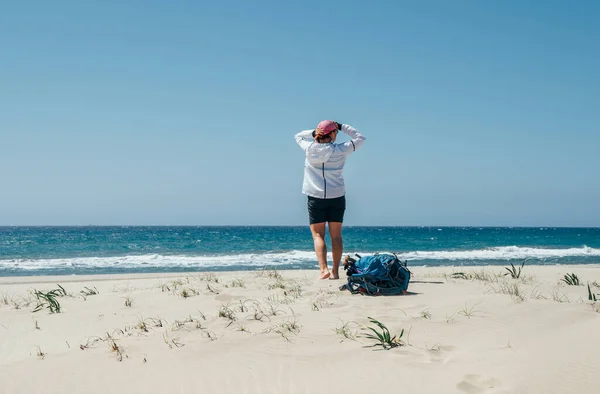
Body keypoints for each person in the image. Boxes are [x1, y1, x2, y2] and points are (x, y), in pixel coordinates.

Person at [295, 120, 365, 279]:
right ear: (332, 134)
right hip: (337, 196)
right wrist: (341, 126)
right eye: (336, 132)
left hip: (315, 196)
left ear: (318, 134)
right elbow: (360, 138)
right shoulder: (341, 150)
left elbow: (298, 136)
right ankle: (335, 271)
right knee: (336, 236)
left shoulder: (309, 148)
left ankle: (323, 269)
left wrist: (313, 133)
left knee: (318, 235)